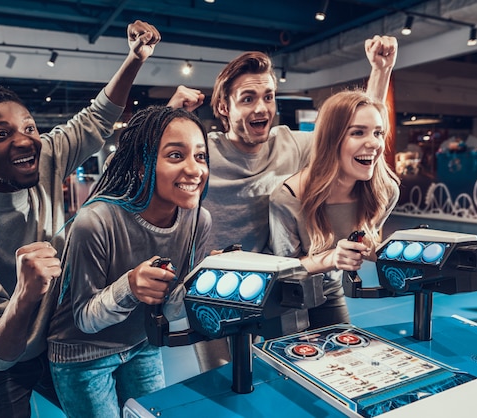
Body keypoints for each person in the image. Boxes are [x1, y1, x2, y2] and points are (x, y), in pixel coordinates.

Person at [0, 20, 161, 418]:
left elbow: (96, 119)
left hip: (53, 337)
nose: (23, 140)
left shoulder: (47, 157)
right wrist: (25, 292)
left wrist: (134, 58)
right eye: (1, 134)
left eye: (29, 127)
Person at [168, 35, 398, 371]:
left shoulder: (292, 143)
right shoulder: (203, 154)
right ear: (223, 108)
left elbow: (355, 132)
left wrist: (380, 71)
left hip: (279, 283)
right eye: (247, 99)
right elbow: (144, 168)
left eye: (268, 97)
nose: (261, 108)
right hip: (218, 288)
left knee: (288, 371)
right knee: (223, 378)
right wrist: (168, 119)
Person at [47, 105, 211, 418]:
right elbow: (84, 318)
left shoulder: (198, 220)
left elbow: (172, 308)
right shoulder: (94, 222)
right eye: (176, 155)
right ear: (141, 165)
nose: (195, 169)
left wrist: (202, 282)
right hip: (82, 354)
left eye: (200, 156)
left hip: (141, 342)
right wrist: (130, 288)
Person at [269, 89, 400, 329]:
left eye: (378, 132)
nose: (373, 143)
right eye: (358, 132)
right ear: (332, 139)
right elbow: (285, 270)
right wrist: (332, 257)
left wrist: (387, 252)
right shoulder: (288, 197)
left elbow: (371, 238)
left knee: (344, 358)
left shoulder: (386, 191)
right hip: (284, 297)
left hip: (329, 289)